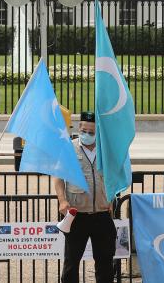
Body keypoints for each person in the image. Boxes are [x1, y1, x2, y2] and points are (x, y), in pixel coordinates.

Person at [54, 111, 116, 283]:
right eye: (84, 130)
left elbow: (115, 177)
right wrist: (62, 200)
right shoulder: (68, 148)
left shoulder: (106, 150)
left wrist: (112, 198)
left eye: (91, 132)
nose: (87, 135)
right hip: (77, 215)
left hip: (102, 214)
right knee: (71, 263)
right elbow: (58, 177)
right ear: (79, 128)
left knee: (105, 263)